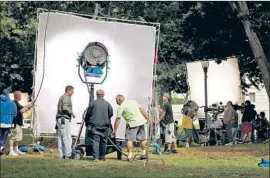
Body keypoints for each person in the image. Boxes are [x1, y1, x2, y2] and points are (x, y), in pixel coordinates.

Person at [112, 94, 148, 161]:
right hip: (141, 122)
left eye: (116, 101)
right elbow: (142, 109)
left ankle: (130, 156)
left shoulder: (121, 107)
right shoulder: (133, 101)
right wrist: (147, 117)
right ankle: (144, 154)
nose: (116, 102)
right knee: (142, 139)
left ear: (120, 99)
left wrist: (114, 130)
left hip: (132, 124)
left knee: (129, 140)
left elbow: (118, 119)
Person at [85, 89, 113, 161]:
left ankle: (96, 158)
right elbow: (111, 113)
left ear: (97, 95)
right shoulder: (107, 104)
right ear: (103, 95)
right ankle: (102, 157)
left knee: (96, 141)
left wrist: (87, 122)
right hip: (105, 125)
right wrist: (106, 118)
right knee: (104, 141)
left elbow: (88, 114)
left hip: (95, 125)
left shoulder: (93, 103)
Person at [9, 91, 33, 156]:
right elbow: (21, 110)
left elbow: (23, 108)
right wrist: (29, 105)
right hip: (15, 122)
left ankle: (16, 149)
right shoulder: (14, 103)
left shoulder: (17, 103)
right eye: (21, 95)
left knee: (18, 137)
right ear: (18, 96)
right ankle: (11, 151)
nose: (21, 97)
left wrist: (29, 106)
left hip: (18, 123)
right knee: (13, 136)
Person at [56, 85, 75, 159]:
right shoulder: (66, 97)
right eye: (72, 91)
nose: (73, 93)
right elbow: (65, 107)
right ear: (68, 90)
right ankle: (68, 154)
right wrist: (72, 113)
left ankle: (62, 154)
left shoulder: (62, 96)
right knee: (66, 137)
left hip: (60, 118)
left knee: (61, 137)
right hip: (64, 118)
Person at [0, 89, 17, 155]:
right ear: (8, 94)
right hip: (7, 122)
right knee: (4, 136)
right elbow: (15, 113)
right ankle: (1, 147)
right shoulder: (12, 103)